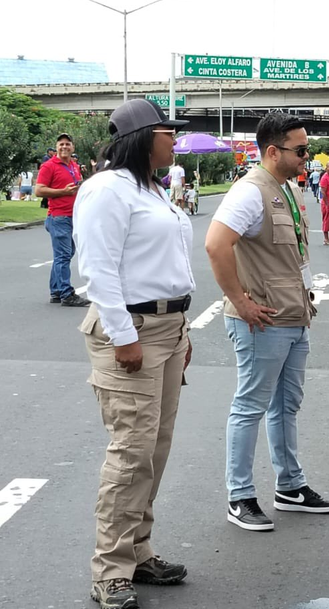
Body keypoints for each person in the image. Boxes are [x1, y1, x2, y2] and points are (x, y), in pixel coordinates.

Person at [73, 98, 194, 609]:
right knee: (130, 454)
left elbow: (165, 261)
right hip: (132, 330)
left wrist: (182, 330)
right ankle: (111, 571)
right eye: (169, 132)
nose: (175, 140)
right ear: (142, 137)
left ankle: (139, 552)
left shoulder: (153, 190)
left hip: (166, 328)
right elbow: (98, 271)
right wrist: (124, 336)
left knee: (155, 448)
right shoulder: (106, 190)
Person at [205, 113, 329, 533]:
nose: (307, 158)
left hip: (294, 316)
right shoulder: (249, 192)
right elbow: (215, 245)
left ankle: (290, 487)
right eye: (300, 150)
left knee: (286, 407)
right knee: (250, 407)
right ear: (272, 151)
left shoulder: (288, 190)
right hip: (262, 320)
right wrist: (240, 302)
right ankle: (240, 495)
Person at [34, 133, 91, 307]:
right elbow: (39, 190)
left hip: (72, 216)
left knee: (64, 255)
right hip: (58, 216)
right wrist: (63, 192)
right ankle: (67, 294)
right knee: (63, 256)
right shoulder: (48, 166)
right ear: (56, 148)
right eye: (61, 144)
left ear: (73, 147)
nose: (64, 147)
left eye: (67, 144)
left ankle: (56, 291)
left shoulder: (73, 165)